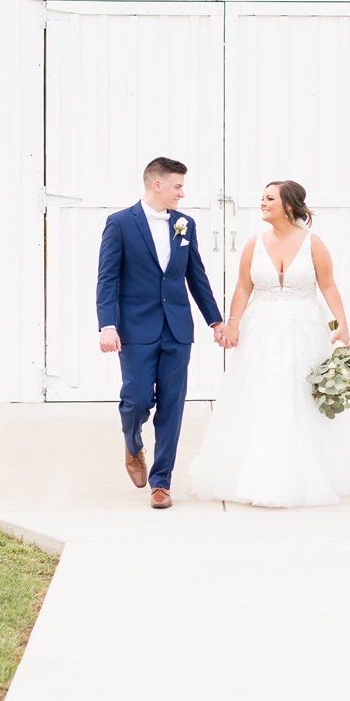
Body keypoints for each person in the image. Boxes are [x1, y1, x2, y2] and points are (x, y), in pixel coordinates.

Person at [189, 180, 350, 507]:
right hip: (261, 331)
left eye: (269, 198)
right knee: (262, 392)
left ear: (289, 206)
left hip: (304, 330)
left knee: (301, 393)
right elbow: (244, 287)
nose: (262, 203)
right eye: (262, 197)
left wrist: (342, 323)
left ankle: (310, 465)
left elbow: (328, 286)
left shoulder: (313, 244)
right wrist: (233, 323)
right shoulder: (253, 244)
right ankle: (256, 467)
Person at [96, 157, 224, 510]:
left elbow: (196, 275)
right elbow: (107, 278)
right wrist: (107, 325)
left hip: (177, 329)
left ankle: (162, 482)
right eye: (178, 186)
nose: (183, 193)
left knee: (172, 405)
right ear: (157, 185)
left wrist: (215, 320)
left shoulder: (185, 224)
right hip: (134, 328)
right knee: (136, 399)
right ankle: (132, 441)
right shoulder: (120, 223)